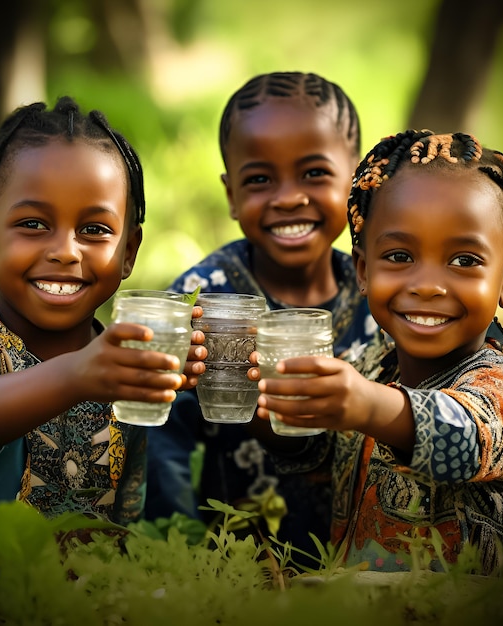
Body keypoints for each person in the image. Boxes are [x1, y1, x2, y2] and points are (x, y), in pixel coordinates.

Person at [0, 96, 206, 579]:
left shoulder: (125, 358)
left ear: (128, 251)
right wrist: (80, 374)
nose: (66, 251)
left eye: (94, 229)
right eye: (33, 224)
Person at [255, 129, 503, 577]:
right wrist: (267, 406)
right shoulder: (371, 363)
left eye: (464, 260)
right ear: (363, 270)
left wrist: (364, 404)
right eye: (400, 256)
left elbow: (465, 438)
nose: (427, 284)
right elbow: (320, 459)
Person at [145, 71, 381, 559]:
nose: (289, 197)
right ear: (231, 194)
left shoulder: (383, 296)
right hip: (234, 568)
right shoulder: (203, 297)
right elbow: (158, 429)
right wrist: (176, 552)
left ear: (355, 180)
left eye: (314, 173)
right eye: (259, 180)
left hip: (370, 569)